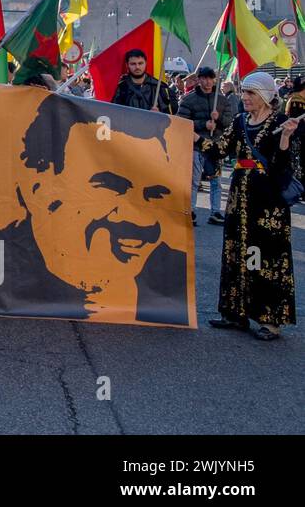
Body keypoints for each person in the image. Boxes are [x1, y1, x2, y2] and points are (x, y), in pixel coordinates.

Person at [0, 93, 189, 325]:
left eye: (153, 195)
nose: (136, 218)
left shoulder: (172, 274)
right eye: (111, 187)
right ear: (37, 189)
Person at [203, 71, 298, 340]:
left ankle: (270, 322)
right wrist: (199, 136)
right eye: (244, 91)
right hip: (239, 199)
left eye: (251, 93)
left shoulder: (282, 122)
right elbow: (220, 149)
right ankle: (236, 314)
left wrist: (285, 139)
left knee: (265, 256)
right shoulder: (240, 120)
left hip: (268, 202)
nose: (244, 97)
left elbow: (283, 166)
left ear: (266, 96)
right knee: (237, 253)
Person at [178, 66, 227, 225]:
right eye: (204, 78)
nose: (207, 82)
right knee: (194, 181)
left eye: (210, 78)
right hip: (196, 146)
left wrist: (218, 118)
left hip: (215, 147)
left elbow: (230, 122)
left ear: (214, 79)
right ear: (198, 79)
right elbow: (181, 122)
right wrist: (202, 124)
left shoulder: (221, 99)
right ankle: (190, 211)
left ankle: (216, 212)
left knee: (216, 181)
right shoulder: (188, 99)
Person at [111, 48, 176, 113]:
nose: (137, 67)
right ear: (127, 65)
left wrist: (159, 114)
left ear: (146, 63)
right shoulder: (121, 88)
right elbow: (114, 113)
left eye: (140, 63)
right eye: (133, 64)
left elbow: (172, 113)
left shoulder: (159, 87)